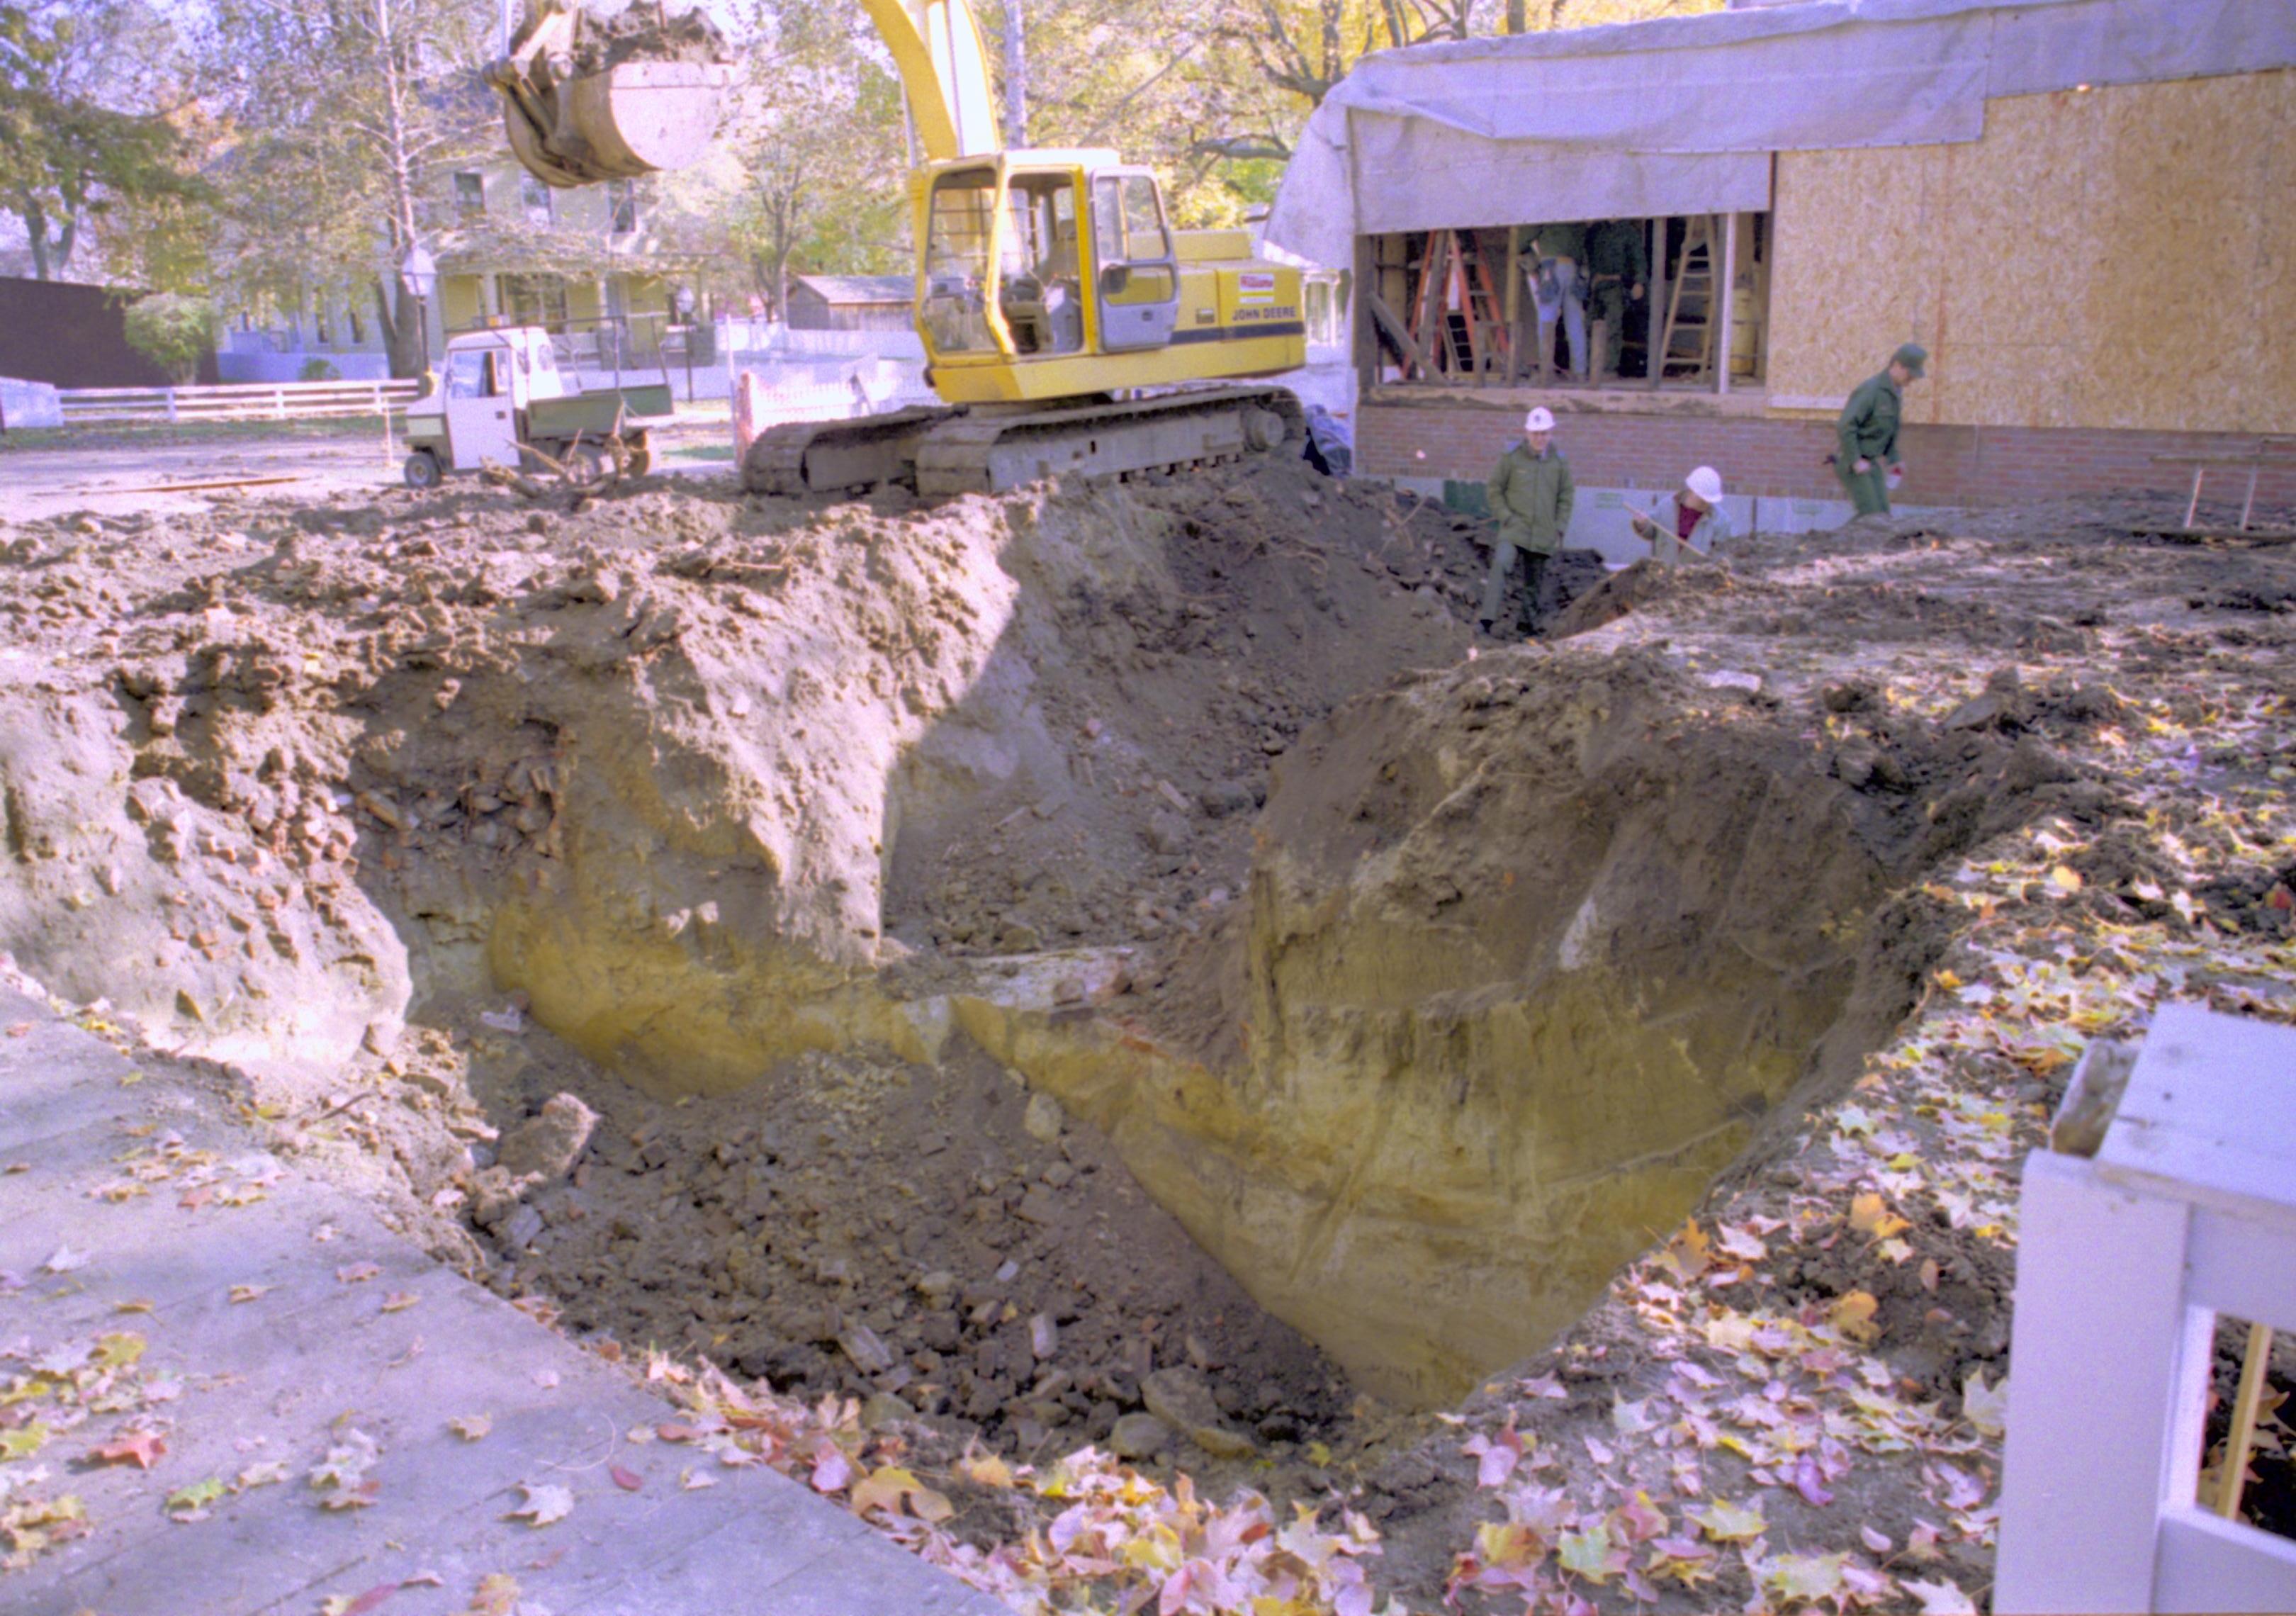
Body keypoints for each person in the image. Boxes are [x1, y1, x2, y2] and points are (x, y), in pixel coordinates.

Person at [1481, 406, 1577, 636]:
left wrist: (1560, 526)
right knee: (1501, 565)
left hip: (1543, 532)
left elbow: (1566, 496)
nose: (1539, 438)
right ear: (1527, 433)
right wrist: (1506, 517)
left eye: (1544, 433)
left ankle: (1526, 626)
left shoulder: (1559, 463)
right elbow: (1495, 489)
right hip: (1515, 529)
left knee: (1534, 583)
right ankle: (1486, 620)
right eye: (1535, 433)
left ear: (1550, 434)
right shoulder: (1512, 458)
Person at [1835, 343, 1927, 515]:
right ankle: (1838, 542)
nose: (1912, 380)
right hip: (1851, 460)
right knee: (1872, 516)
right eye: (1910, 374)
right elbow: (1846, 425)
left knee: (1883, 515)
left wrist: (1894, 459)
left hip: (1870, 462)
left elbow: (1888, 431)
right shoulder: (1872, 390)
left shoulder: (1895, 394)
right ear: (1897, 366)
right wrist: (1855, 460)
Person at [1583, 218, 1648, 381]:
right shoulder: (1596, 230)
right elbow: (1585, 252)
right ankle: (1590, 366)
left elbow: (1638, 258)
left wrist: (1639, 282)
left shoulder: (1627, 231)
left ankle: (1609, 368)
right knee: (1589, 325)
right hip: (1595, 284)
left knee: (1613, 327)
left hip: (1616, 284)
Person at [1523, 222, 1589, 380]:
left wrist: (1527, 256)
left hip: (1551, 267)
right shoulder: (1578, 218)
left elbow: (1523, 238)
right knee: (1575, 321)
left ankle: (1546, 369)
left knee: (1547, 317)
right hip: (1574, 267)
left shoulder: (1548, 211)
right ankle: (1579, 371)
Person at [1629, 465, 1734, 563]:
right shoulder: (1667, 507)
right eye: (1702, 499)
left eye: (1709, 500)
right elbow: (1651, 531)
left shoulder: (1721, 520)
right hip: (1664, 575)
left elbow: (1723, 555)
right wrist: (1642, 524)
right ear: (1691, 491)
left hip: (1698, 579)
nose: (1706, 503)